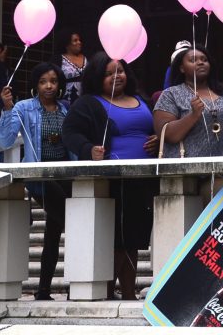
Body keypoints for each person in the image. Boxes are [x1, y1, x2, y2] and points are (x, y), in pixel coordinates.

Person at [62, 52, 157, 300]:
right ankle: (105, 292)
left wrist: (159, 139)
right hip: (111, 180)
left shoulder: (141, 99)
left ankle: (128, 294)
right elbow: (70, 132)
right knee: (116, 238)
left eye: (121, 71)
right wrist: (88, 150)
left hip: (142, 180)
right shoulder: (89, 103)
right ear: (96, 77)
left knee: (134, 238)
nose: (117, 76)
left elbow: (156, 128)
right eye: (109, 73)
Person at [0, 62, 72, 300]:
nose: (48, 86)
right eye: (43, 82)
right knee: (71, 221)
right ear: (35, 85)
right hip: (40, 178)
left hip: (66, 176)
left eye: (53, 81)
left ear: (59, 83)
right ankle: (81, 275)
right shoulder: (24, 107)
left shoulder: (66, 109)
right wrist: (8, 108)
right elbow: (6, 140)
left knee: (54, 231)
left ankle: (43, 290)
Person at [153, 46, 223, 158]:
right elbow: (166, 135)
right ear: (182, 68)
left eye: (204, 60)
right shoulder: (171, 94)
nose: (200, 63)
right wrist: (193, 115)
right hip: (185, 170)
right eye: (193, 60)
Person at [60, 31, 87, 106]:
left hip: (85, 100)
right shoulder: (59, 59)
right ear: (67, 44)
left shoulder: (86, 58)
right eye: (75, 40)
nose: (79, 42)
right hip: (66, 101)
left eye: (79, 40)